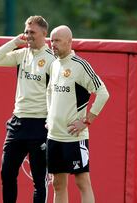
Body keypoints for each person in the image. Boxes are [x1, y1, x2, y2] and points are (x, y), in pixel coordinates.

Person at [0, 16, 56, 203]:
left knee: (39, 180)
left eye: (32, 32)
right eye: (26, 31)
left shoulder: (51, 60)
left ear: (44, 33)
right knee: (6, 173)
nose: (28, 35)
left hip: (40, 124)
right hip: (17, 123)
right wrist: (13, 42)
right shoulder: (21, 54)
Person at [46, 25, 110, 203]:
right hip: (54, 136)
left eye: (57, 40)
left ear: (69, 41)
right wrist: (48, 118)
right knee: (58, 184)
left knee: (82, 183)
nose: (53, 44)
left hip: (74, 137)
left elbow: (103, 93)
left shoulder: (81, 66)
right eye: (51, 40)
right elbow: (49, 92)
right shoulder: (54, 65)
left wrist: (87, 120)